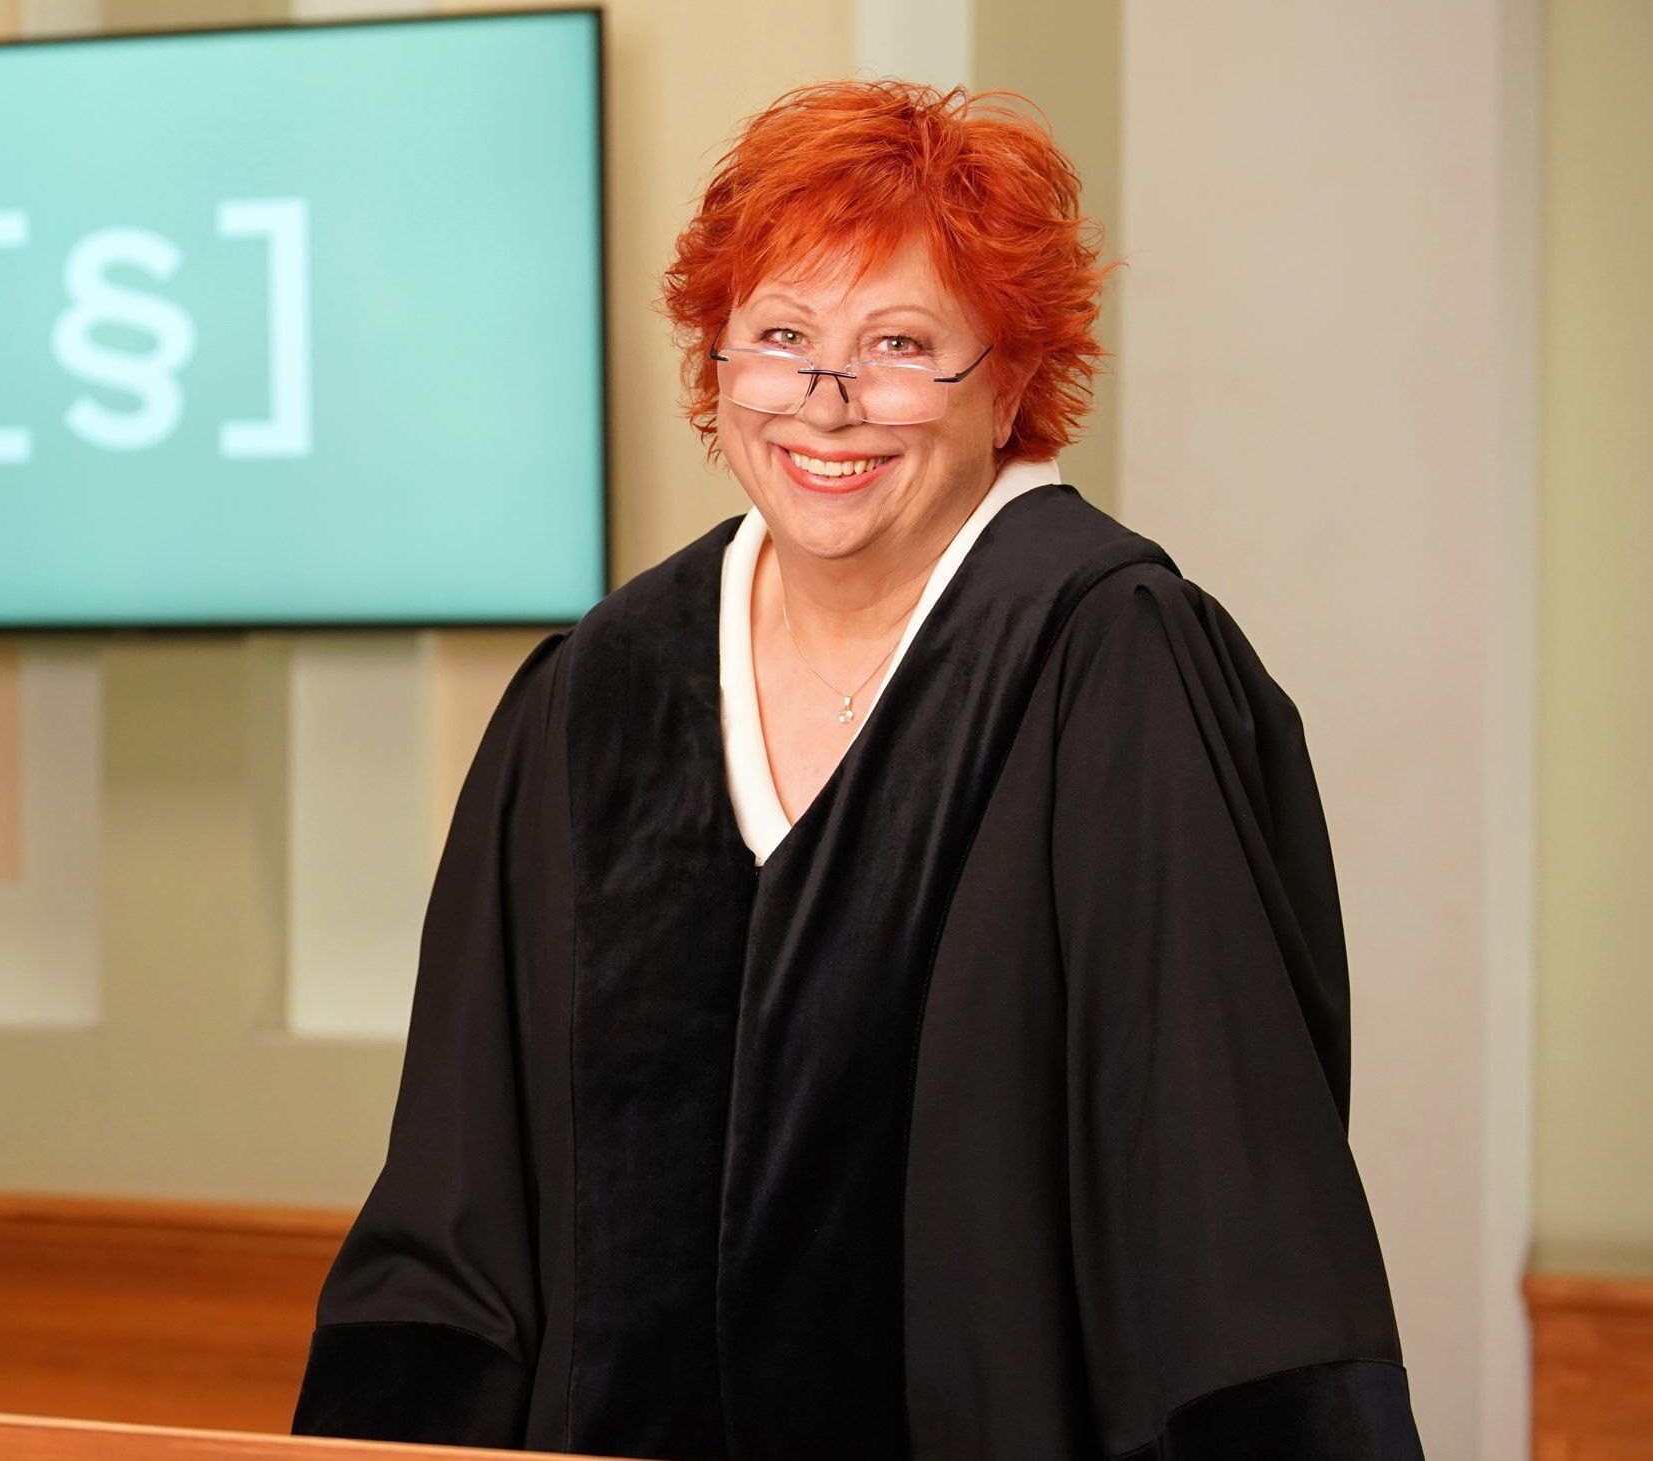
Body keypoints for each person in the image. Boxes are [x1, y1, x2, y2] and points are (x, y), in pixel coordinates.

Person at [287, 79, 1424, 1460]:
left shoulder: (1106, 665)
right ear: (719, 363)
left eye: (899, 344)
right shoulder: (598, 694)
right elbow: (460, 1200)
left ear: (1010, 379)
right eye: (780, 336)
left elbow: (1222, 1207)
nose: (827, 404)